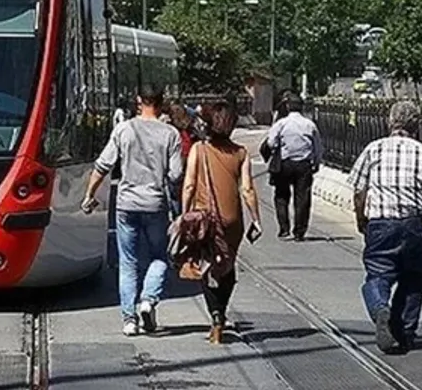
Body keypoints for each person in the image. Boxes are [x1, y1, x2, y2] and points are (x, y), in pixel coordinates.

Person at [348, 100, 422, 354]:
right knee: (413, 279)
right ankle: (405, 333)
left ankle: (380, 308)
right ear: (417, 126)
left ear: (389, 122)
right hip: (414, 226)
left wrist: (361, 219)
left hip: (381, 225)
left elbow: (359, 191)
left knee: (377, 276)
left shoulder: (373, 149)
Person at [82, 84, 183, 336]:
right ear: (161, 102)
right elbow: (176, 174)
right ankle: (148, 300)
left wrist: (89, 195)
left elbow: (102, 165)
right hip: (155, 204)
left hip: (126, 204)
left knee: (128, 262)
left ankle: (129, 320)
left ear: (139, 100)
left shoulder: (123, 129)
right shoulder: (170, 134)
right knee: (159, 256)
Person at [178, 101, 261, 343]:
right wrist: (256, 219)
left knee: (207, 264)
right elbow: (247, 189)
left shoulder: (199, 149)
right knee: (228, 264)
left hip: (205, 219)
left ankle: (216, 315)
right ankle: (222, 309)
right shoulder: (241, 153)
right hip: (233, 220)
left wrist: (184, 214)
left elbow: (189, 185)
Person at [264, 94, 321, 241]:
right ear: (301, 107)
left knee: (281, 196)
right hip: (304, 165)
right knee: (302, 198)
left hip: (285, 164)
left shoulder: (281, 124)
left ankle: (284, 228)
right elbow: (318, 147)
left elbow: (271, 142)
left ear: (288, 107)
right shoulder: (309, 125)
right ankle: (299, 232)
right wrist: (316, 163)